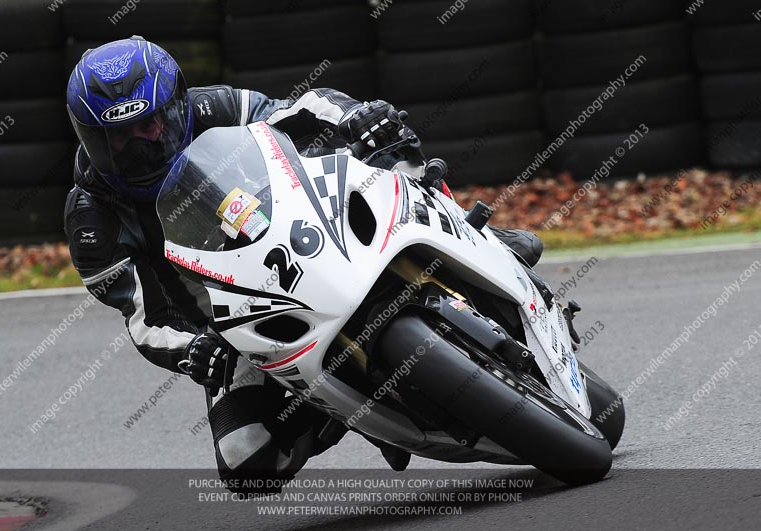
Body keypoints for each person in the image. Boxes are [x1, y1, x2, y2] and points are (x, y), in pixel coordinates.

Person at [64, 36, 544, 493]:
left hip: (305, 229)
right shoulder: (93, 218)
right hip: (237, 323)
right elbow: (146, 319)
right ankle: (337, 406)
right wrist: (195, 349)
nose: (141, 145)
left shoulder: (216, 108)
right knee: (246, 460)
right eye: (120, 138)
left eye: (148, 126)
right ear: (91, 139)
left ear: (175, 107)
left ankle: (476, 235)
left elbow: (300, 111)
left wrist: (356, 117)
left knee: (388, 142)